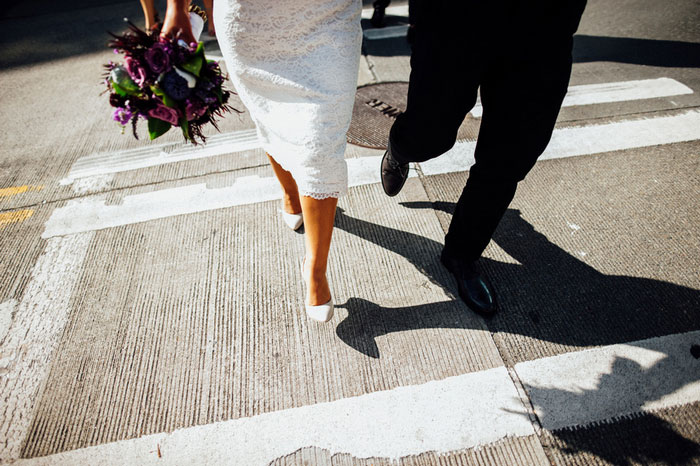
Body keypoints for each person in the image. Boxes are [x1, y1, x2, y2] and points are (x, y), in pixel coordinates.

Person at [380, 0, 587, 317]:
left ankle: (461, 254)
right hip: (457, 16)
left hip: (547, 23)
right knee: (427, 134)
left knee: (512, 154)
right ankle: (401, 148)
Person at [162, 0, 362, 322]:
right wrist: (177, 8)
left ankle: (315, 267)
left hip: (329, 18)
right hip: (251, 22)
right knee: (271, 117)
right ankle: (289, 193)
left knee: (318, 145)